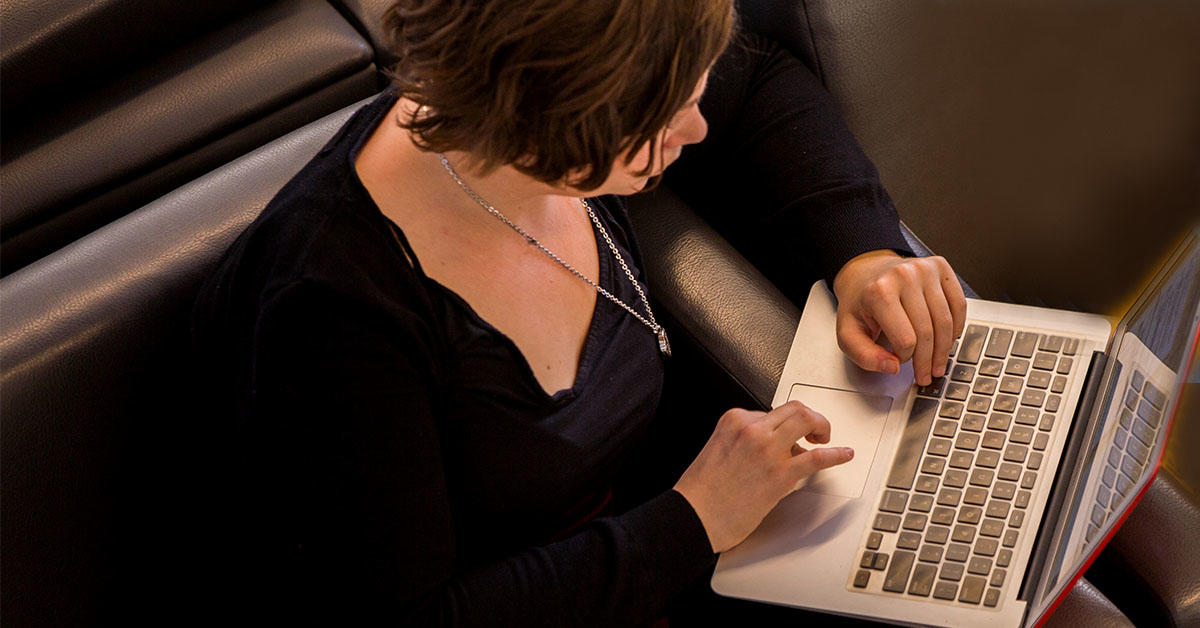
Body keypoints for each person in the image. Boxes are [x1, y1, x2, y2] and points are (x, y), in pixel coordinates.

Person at [191, 0, 966, 625]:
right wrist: (692, 521)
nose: (695, 129)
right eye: (669, 119)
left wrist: (864, 253)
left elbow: (756, 81)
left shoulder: (535, 136)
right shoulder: (330, 316)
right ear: (564, 125)